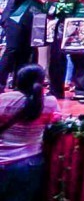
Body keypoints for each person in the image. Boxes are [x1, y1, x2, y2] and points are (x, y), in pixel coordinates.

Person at [0, 64, 60, 201]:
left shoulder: (3, 99)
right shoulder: (50, 102)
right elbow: (55, 123)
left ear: (18, 80)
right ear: (42, 81)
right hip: (30, 162)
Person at [0, 0, 51, 91]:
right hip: (16, 16)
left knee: (27, 51)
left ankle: (20, 85)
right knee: (12, 49)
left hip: (34, 18)